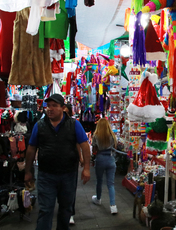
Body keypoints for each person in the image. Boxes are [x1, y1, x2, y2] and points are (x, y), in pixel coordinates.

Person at [24, 94, 91, 230]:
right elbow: (31, 149)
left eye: (54, 106)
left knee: (66, 209)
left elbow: (84, 145)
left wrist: (87, 168)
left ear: (63, 108)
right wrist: (28, 171)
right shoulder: (39, 125)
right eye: (48, 106)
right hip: (46, 174)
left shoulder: (74, 124)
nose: (50, 109)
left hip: (68, 174)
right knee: (45, 210)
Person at [91, 118, 118, 214]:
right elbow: (115, 148)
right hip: (111, 159)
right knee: (110, 184)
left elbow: (94, 149)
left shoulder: (96, 135)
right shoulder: (112, 135)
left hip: (100, 159)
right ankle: (113, 206)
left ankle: (98, 199)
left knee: (99, 181)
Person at [64, 103, 83, 225]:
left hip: (71, 162)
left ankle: (70, 213)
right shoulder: (52, 124)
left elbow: (80, 143)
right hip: (55, 163)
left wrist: (81, 158)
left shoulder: (74, 124)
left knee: (70, 189)